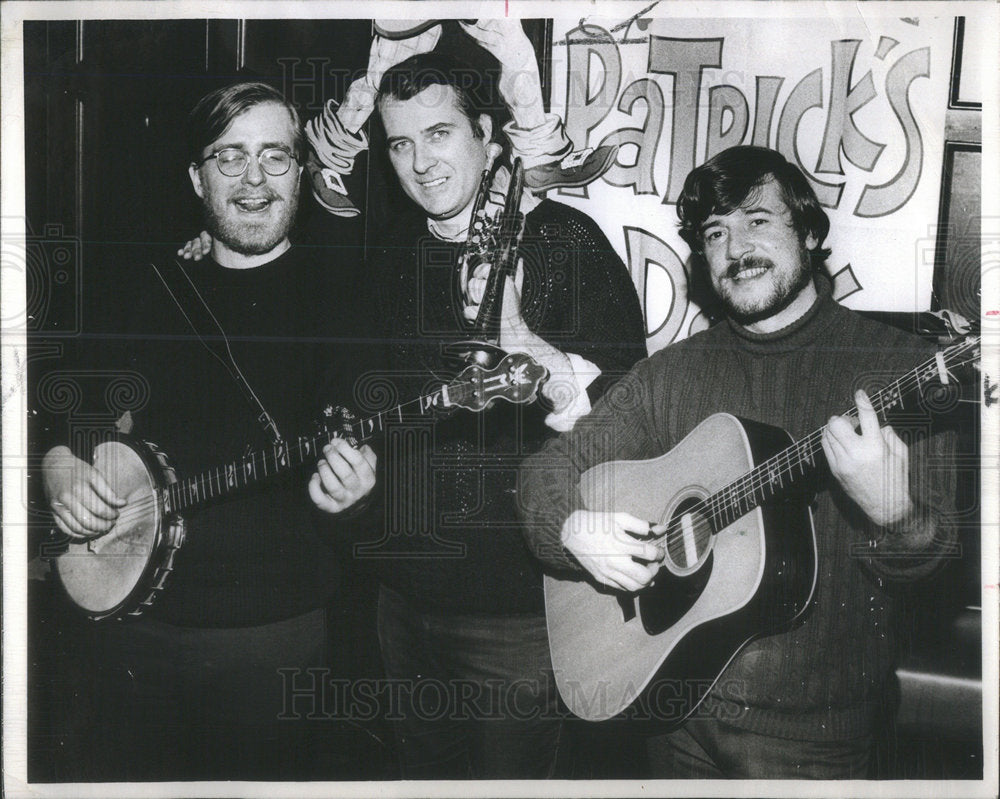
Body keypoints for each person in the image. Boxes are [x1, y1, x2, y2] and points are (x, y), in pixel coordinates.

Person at [518, 145, 958, 779]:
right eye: (715, 232)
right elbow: (545, 471)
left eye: (757, 220)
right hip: (672, 714)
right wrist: (569, 529)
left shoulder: (903, 372)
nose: (734, 247)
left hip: (817, 740)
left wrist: (895, 516)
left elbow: (941, 567)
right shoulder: (671, 375)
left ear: (808, 231)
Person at [37, 82, 378, 781]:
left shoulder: (344, 302)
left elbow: (367, 511)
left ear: (303, 173)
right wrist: (57, 462)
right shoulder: (153, 284)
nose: (254, 179)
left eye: (276, 157)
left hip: (269, 648)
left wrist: (359, 494)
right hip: (122, 632)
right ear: (197, 176)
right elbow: (65, 406)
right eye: (230, 157)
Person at [348, 52, 647, 778]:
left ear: (487, 133)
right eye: (399, 144)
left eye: (440, 134)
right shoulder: (394, 256)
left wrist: (533, 352)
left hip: (519, 614)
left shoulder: (564, 241)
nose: (420, 163)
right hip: (404, 600)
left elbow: (637, 420)